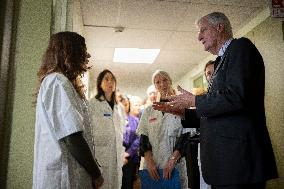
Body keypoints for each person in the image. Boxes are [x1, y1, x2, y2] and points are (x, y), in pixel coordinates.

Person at [153, 12, 278, 189]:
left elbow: (236, 97)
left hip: (239, 163)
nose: (199, 37)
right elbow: (218, 112)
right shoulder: (220, 61)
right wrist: (184, 112)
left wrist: (195, 101)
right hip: (226, 165)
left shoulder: (240, 47)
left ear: (220, 27)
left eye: (203, 30)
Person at [33, 31, 103, 189]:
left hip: (69, 176)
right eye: (83, 50)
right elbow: (72, 137)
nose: (88, 55)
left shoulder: (62, 84)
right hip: (63, 178)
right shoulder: (58, 82)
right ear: (69, 52)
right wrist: (96, 174)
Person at [137, 70, 194, 189]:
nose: (162, 84)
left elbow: (185, 136)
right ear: (155, 86)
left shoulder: (181, 108)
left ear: (170, 82)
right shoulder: (149, 111)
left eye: (165, 80)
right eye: (158, 82)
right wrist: (149, 161)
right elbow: (143, 137)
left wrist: (173, 160)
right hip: (153, 167)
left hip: (175, 165)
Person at [89, 69, 126, 189]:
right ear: (100, 83)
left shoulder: (119, 108)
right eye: (106, 79)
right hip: (100, 157)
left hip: (117, 158)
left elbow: (122, 132)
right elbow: (88, 133)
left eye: (112, 79)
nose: (110, 82)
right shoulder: (92, 104)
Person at [121, 95, 140, 189]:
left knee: (128, 184)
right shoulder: (112, 120)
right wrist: (120, 154)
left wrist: (128, 153)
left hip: (130, 159)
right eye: (122, 104)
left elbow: (139, 138)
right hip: (116, 158)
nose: (124, 106)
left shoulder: (135, 120)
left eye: (126, 104)